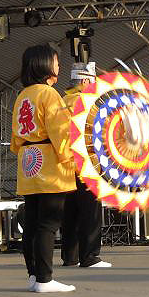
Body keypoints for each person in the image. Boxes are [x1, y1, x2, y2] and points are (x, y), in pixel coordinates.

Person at [10, 44, 76, 293]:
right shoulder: (49, 95)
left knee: (32, 222)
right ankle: (45, 279)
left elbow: (16, 140)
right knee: (48, 223)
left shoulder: (23, 95)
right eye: (56, 62)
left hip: (29, 162)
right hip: (49, 163)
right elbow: (61, 132)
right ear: (46, 65)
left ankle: (34, 275)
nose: (59, 66)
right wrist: (70, 158)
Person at [60, 62, 110, 268]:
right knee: (90, 212)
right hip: (86, 164)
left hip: (65, 165)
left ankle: (69, 256)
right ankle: (90, 256)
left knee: (70, 212)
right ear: (85, 80)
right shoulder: (87, 102)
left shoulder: (62, 101)